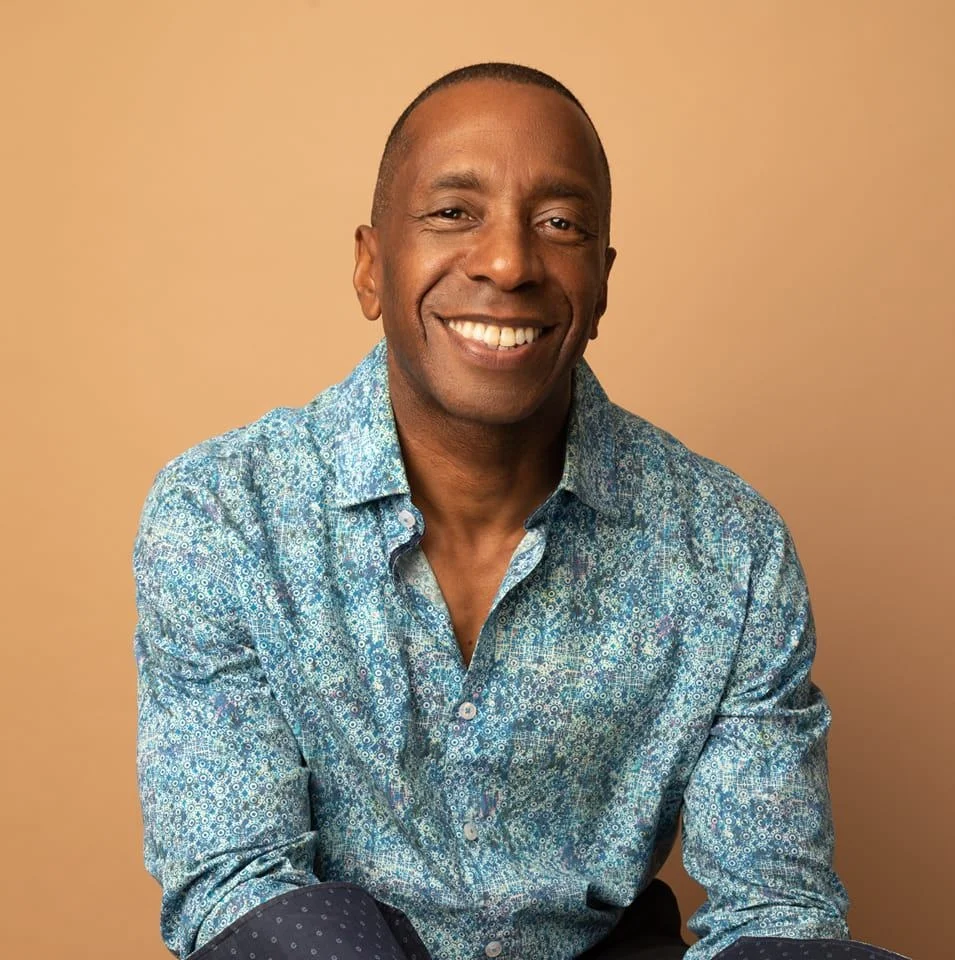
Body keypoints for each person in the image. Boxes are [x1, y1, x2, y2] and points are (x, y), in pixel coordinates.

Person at [134, 63, 907, 960]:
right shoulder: (223, 515)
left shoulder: (729, 549)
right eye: (453, 213)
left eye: (559, 224)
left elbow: (775, 909)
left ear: (603, 283)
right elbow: (233, 881)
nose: (506, 262)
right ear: (370, 266)